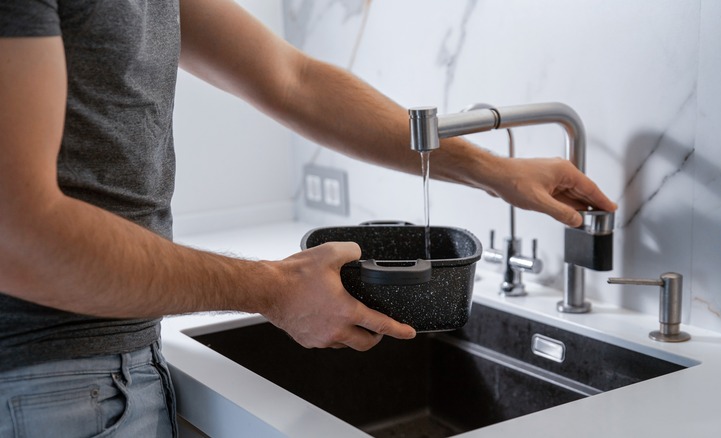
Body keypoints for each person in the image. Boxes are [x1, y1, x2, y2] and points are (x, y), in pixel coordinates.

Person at [0, 0, 617, 436]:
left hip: (101, 369)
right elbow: (18, 236)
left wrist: (491, 170)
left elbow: (291, 79)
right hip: (47, 385)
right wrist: (273, 289)